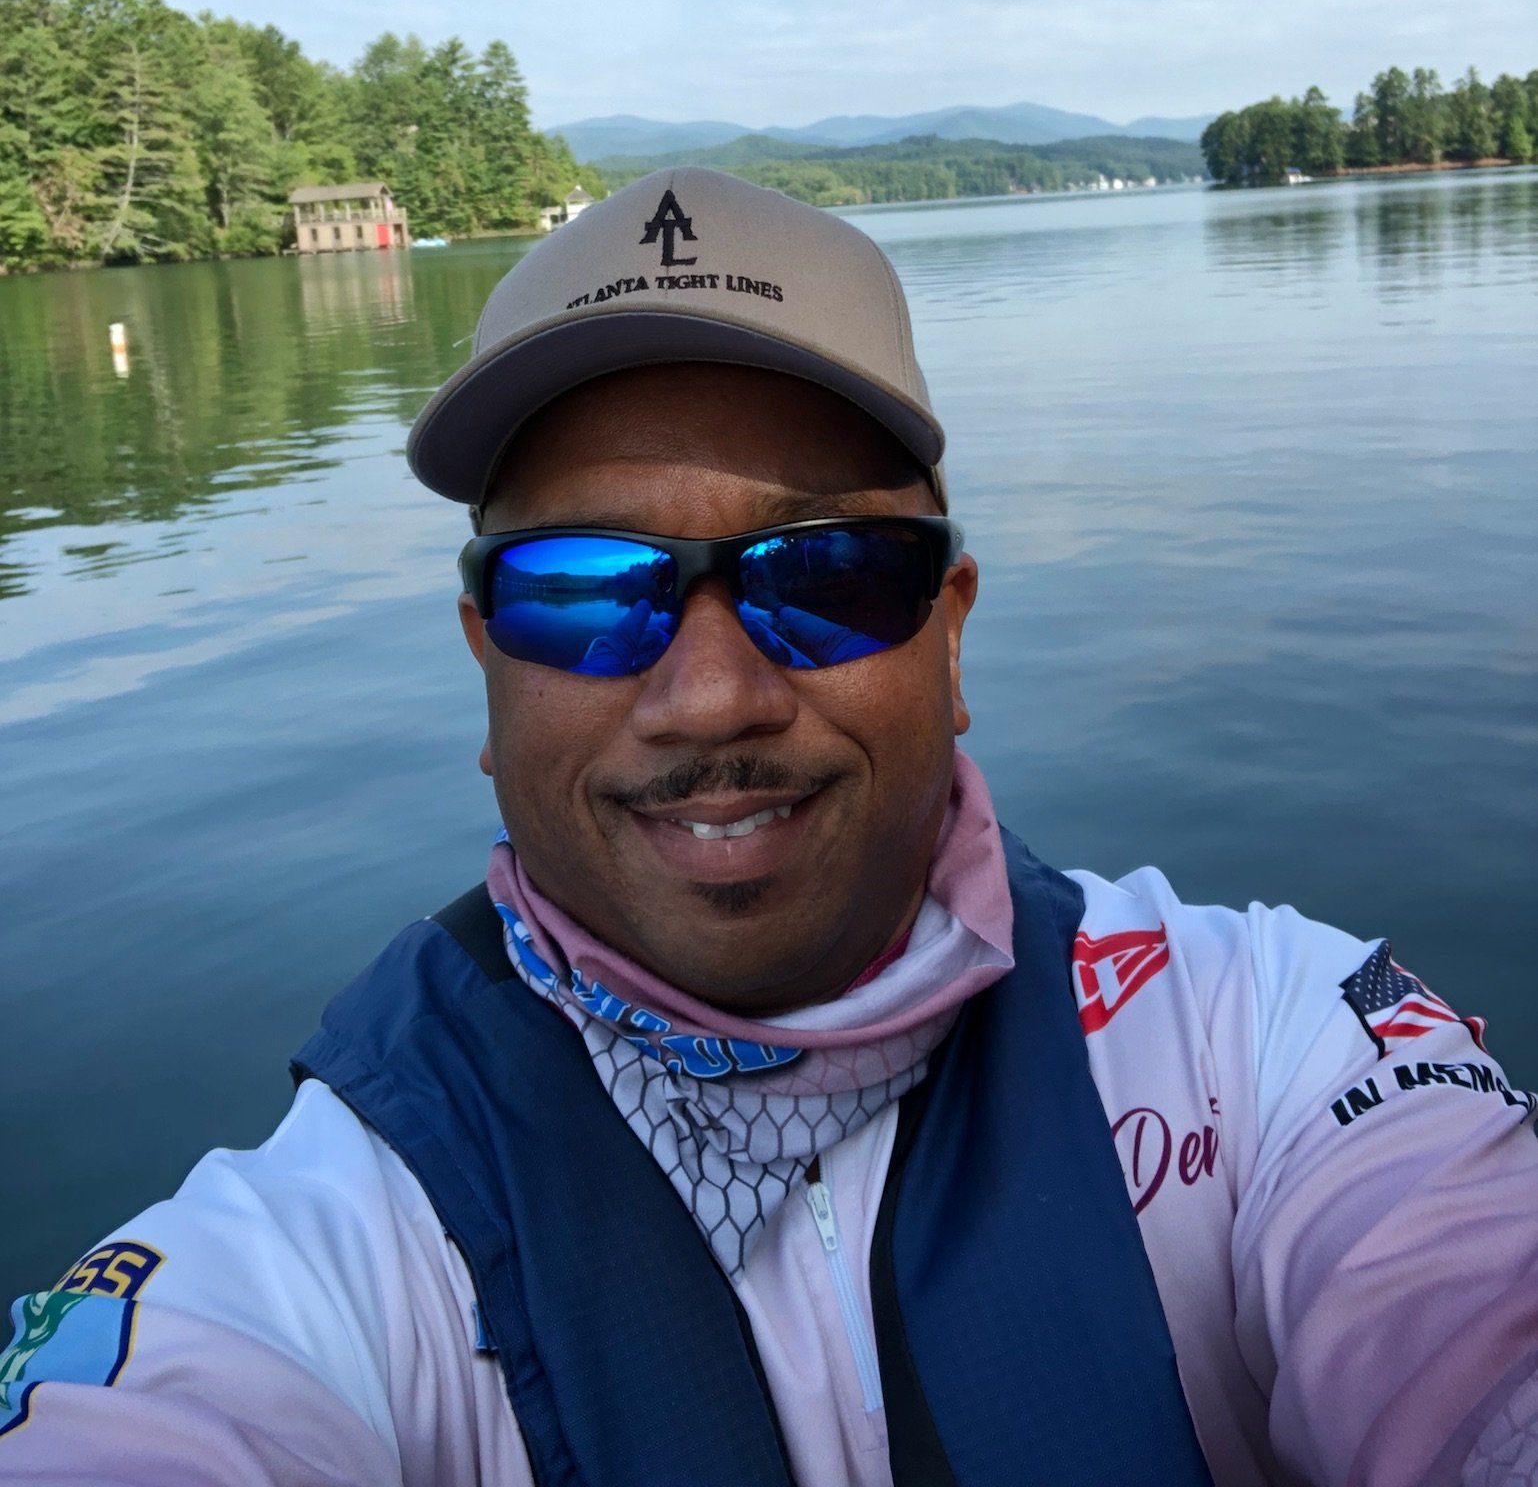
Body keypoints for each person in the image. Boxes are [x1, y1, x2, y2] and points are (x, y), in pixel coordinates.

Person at [3, 168, 1535, 1487]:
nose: (711, 698)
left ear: (949, 634)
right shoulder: (331, 1237)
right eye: (585, 593)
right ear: (485, 665)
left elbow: (1467, 1326)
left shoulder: (1265, 1048)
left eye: (829, 576)